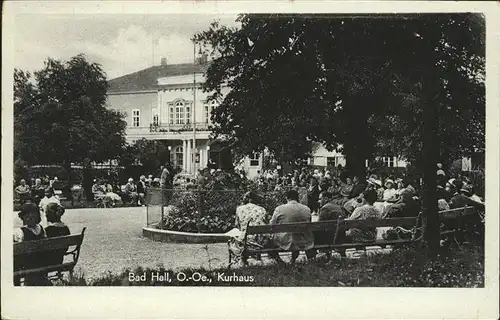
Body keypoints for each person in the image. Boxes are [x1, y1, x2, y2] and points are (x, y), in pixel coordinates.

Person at [268, 190, 315, 264]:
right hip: (304, 239)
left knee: (271, 239)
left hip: (287, 241)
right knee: (295, 234)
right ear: (298, 198)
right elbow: (309, 223)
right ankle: (294, 259)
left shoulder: (279, 209)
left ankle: (280, 261)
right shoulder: (307, 209)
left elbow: (271, 225)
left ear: (287, 198)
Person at [228, 191, 268, 264]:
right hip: (261, 242)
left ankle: (242, 259)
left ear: (248, 199)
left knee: (237, 237)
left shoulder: (239, 209)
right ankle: (255, 258)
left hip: (246, 242)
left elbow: (237, 225)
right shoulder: (262, 209)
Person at [13, 203, 49, 285]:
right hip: (42, 262)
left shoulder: (20, 231)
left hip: (27, 265)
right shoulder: (42, 228)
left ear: (22, 217)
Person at [337, 189, 380, 255]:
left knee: (340, 228)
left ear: (364, 199)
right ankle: (361, 251)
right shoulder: (377, 210)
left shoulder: (360, 209)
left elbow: (349, 222)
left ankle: (342, 254)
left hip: (360, 236)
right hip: (372, 236)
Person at [314, 191, 348, 260]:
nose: (319, 201)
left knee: (312, 234)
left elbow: (319, 225)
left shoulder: (325, 208)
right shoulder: (338, 207)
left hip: (329, 237)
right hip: (340, 236)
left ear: (326, 199)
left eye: (320, 199)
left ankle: (316, 257)